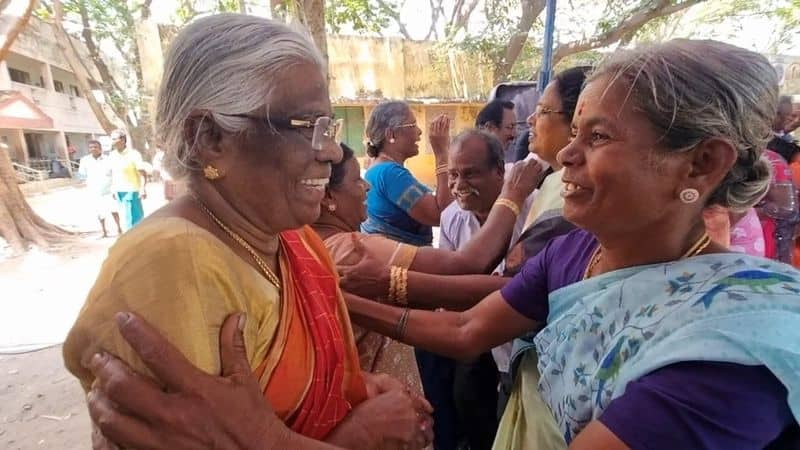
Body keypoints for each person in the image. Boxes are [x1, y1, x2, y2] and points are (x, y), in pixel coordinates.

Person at [344, 40, 800, 450]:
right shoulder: (579, 250)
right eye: (575, 131)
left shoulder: (726, 351)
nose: (566, 154)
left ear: (701, 164)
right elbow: (466, 330)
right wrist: (336, 299)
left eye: (598, 137)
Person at [63, 14, 432, 450]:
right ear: (209, 137)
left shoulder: (293, 240)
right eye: (306, 127)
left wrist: (358, 390)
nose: (331, 151)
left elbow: (284, 397)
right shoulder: (172, 265)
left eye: (328, 128)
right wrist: (361, 433)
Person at [319, 141, 541, 450]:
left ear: (498, 171)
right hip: (379, 416)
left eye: (471, 173)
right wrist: (512, 195)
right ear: (328, 196)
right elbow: (465, 267)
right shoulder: (350, 248)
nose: (366, 186)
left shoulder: (303, 247)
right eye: (357, 180)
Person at [361, 101, 452, 246]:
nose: (419, 132)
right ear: (391, 134)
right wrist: (441, 153)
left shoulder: (379, 169)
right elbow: (443, 215)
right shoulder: (389, 173)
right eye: (412, 125)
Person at [79, 140, 123, 238]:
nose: (93, 149)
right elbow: (82, 174)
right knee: (100, 212)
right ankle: (104, 232)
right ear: (89, 149)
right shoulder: (85, 160)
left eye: (95, 147)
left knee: (114, 210)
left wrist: (115, 188)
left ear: (100, 148)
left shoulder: (108, 159)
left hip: (109, 190)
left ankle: (119, 229)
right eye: (91, 147)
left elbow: (115, 173)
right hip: (94, 191)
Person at [107, 129, 147, 230]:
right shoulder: (112, 155)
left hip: (132, 191)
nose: (112, 141)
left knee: (131, 219)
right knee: (129, 217)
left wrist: (142, 188)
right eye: (111, 139)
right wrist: (113, 189)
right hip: (119, 191)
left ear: (123, 140)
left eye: (114, 139)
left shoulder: (134, 154)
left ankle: (134, 239)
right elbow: (113, 173)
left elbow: (142, 173)